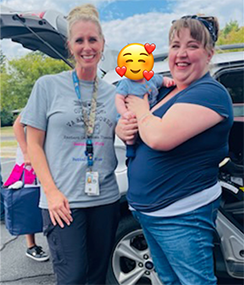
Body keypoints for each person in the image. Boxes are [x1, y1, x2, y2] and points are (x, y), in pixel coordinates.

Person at [116, 15, 233, 285]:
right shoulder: (169, 91)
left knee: (195, 282)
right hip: (150, 213)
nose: (181, 54)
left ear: (209, 54)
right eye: (175, 45)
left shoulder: (209, 93)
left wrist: (140, 108)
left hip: (181, 215)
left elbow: (158, 137)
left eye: (192, 46)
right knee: (169, 280)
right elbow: (140, 129)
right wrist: (124, 131)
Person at [21, 4, 120, 285]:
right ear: (69, 45)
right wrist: (51, 193)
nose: (87, 47)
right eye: (79, 40)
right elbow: (34, 143)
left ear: (102, 44)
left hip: (106, 199)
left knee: (97, 277)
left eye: (93, 40)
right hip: (63, 202)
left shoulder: (115, 93)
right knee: (73, 277)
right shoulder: (48, 86)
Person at [13, 115, 49, 262]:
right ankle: (31, 245)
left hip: (48, 153)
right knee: (30, 199)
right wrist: (26, 152)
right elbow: (17, 125)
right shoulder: (40, 96)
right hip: (31, 156)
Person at [115, 74, 175, 157]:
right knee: (130, 130)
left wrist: (168, 81)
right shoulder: (125, 84)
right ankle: (130, 146)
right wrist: (124, 112)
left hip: (148, 110)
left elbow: (162, 80)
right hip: (130, 114)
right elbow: (119, 99)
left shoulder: (151, 78)